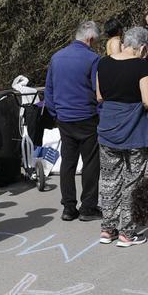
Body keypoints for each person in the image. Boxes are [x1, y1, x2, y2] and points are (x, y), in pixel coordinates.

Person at [95, 26, 148, 248]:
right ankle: (127, 233)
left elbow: (100, 96)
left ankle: (107, 228)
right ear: (141, 47)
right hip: (134, 130)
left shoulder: (103, 63)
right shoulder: (141, 66)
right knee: (133, 181)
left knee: (110, 179)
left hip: (108, 126)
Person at [45, 21, 103, 222]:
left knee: (68, 163)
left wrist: (55, 113)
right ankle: (88, 207)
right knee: (90, 163)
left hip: (64, 118)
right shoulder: (93, 58)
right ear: (90, 39)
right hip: (87, 116)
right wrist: (100, 114)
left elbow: (49, 89)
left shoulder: (56, 57)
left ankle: (68, 207)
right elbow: (99, 92)